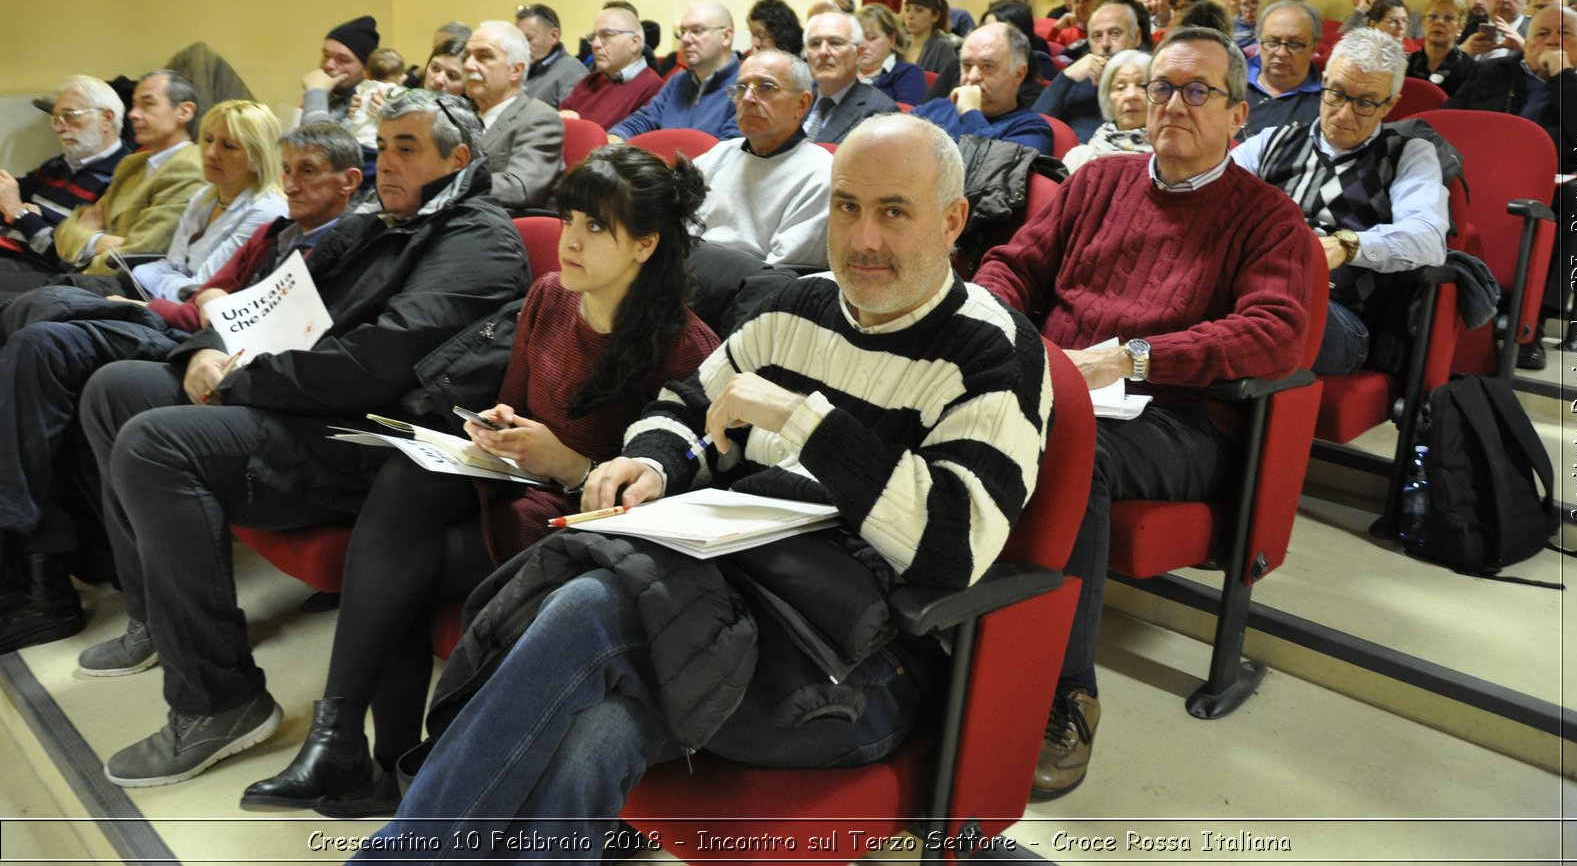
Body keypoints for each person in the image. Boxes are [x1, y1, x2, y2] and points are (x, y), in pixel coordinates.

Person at [351, 112, 1052, 859]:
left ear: (952, 221)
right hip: (729, 613)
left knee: (589, 603)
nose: (864, 238)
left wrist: (808, 420)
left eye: (893, 212)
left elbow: (953, 548)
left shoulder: (994, 352)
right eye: (846, 206)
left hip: (863, 667)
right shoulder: (800, 305)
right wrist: (650, 462)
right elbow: (690, 405)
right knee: (595, 732)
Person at [239, 146, 720, 816]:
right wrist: (498, 424)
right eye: (570, 218)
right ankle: (355, 745)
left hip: (583, 533)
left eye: (596, 227)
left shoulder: (685, 347)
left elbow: (656, 501)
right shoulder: (551, 295)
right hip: (516, 487)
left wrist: (569, 463)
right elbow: (517, 400)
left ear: (645, 244)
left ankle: (365, 757)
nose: (571, 239)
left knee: (388, 568)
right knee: (405, 480)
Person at [72, 90, 533, 787]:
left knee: (154, 442)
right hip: (296, 404)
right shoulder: (377, 222)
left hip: (363, 438)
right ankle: (157, 622)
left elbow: (373, 368)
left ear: (458, 158)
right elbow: (266, 298)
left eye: (408, 149)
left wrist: (236, 380)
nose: (387, 164)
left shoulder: (479, 240)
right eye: (384, 147)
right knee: (117, 388)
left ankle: (217, 700)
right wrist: (203, 348)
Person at [973, 25, 1316, 799]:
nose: (1174, 104)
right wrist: (992, 324)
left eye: (1199, 90)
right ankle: (949, 634)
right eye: (1162, 87)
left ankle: (1069, 692)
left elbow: (1275, 332)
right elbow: (1011, 263)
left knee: (1074, 455)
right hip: (1062, 387)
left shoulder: (1266, 218)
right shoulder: (1098, 183)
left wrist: (1134, 356)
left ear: (1239, 115)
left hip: (1181, 421)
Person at [0, 122, 363, 656]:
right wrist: (201, 301)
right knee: (28, 315)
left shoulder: (337, 242)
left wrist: (172, 305)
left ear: (348, 181)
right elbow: (208, 287)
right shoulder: (277, 231)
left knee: (42, 340)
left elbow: (225, 307)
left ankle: (21, 548)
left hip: (196, 337)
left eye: (307, 172)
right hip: (184, 320)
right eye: (287, 171)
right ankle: (32, 554)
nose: (291, 183)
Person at [1232, 29, 1448, 375]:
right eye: (1336, 94)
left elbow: (1428, 239)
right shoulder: (1272, 142)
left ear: (1390, 104)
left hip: (1340, 318)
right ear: (1324, 82)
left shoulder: (1408, 155)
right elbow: (1212, 196)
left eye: (1364, 103)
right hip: (1253, 288)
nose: (1344, 114)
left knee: (1269, 313)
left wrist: (1347, 245)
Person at [1446, 4, 1577, 367]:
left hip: (1556, 185)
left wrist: (1563, 79)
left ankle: (1531, 323)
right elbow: (1450, 121)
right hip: (1481, 178)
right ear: (1526, 42)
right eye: (1542, 34)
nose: (1550, 42)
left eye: (1563, 34)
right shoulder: (1493, 72)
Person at [0, 71, 203, 297]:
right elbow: (70, 226)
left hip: (95, 283)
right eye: (134, 105)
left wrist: (23, 215)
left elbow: (135, 255)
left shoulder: (187, 168)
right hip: (70, 272)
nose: (133, 114)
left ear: (185, 112)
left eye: (148, 105)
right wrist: (100, 240)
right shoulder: (133, 163)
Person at [684, 51, 831, 334]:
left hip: (741, 313)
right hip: (678, 291)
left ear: (802, 104)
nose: (748, 99)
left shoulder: (820, 173)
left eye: (766, 87)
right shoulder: (718, 154)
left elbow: (775, 283)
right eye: (741, 88)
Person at [112, 100, 288, 303]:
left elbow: (200, 292)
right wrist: (164, 280)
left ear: (258, 158)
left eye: (228, 146)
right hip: (154, 299)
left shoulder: (266, 213)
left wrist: (149, 276)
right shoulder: (205, 195)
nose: (210, 153)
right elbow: (173, 266)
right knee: (73, 291)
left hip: (181, 319)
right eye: (208, 139)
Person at [0, 76, 131, 271]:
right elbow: (11, 193)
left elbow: (71, 257)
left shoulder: (123, 177)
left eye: (70, 116)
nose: (59, 128)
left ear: (107, 119)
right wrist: (22, 211)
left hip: (40, 269)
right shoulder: (60, 164)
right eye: (55, 119)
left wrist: (20, 214)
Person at [463, 21, 566, 210]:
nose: (468, 65)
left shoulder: (539, 118)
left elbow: (519, 188)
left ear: (516, 70)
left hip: (505, 230)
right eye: (467, 56)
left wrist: (448, 183)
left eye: (483, 57)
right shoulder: (463, 116)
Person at [611, 2, 742, 142]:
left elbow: (729, 152)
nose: (685, 39)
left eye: (697, 30)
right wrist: (615, 138)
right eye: (683, 31)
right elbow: (645, 118)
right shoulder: (677, 81)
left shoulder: (746, 87)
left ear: (726, 36)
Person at [913, 22, 1052, 153]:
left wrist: (970, 113)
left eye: (987, 66)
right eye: (967, 65)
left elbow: (991, 173)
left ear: (1018, 75)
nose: (972, 77)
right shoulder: (935, 109)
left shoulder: (1032, 130)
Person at [1034, 2, 1144, 140]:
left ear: (1137, 37)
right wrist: (1065, 77)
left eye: (1115, 34)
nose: (1105, 44)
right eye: (1097, 36)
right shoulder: (1077, 78)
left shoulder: (1152, 79)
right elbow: (1033, 127)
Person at [558, 7, 664, 130]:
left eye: (606, 35)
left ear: (634, 43)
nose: (596, 44)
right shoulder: (590, 80)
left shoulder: (653, 89)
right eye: (593, 37)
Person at [802, 11, 897, 146]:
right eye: (815, 44)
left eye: (835, 43)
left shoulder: (879, 112)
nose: (823, 52)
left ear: (858, 54)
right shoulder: (796, 101)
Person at [1062, 50, 1152, 174]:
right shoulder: (1081, 158)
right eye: (1120, 88)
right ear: (1107, 98)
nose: (1131, 95)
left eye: (1142, 86)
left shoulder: (1174, 157)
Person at [1244, 0, 1324, 138]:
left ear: (1313, 49)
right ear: (1259, 42)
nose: (1281, 53)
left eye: (1295, 44)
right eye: (1272, 42)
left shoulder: (1326, 100)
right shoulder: (1230, 83)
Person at [300, 16, 380, 127]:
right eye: (326, 55)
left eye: (343, 60)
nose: (329, 65)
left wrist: (315, 94)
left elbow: (319, 143)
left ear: (366, 68)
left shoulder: (370, 103)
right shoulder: (327, 96)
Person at [516, 3, 587, 108]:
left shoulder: (572, 71)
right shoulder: (519, 69)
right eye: (518, 39)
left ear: (553, 36)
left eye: (528, 39)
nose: (521, 46)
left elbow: (572, 119)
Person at [855, 2, 928, 105]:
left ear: (892, 39)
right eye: (858, 39)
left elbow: (909, 117)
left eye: (871, 38)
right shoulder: (844, 72)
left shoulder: (908, 74)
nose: (862, 45)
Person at [1407, 0, 1477, 97]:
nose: (1439, 22)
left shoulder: (1471, 69)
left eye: (1448, 18)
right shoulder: (1406, 64)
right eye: (1433, 16)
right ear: (1423, 22)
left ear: (1461, 26)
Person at [1460, 0, 1532, 61]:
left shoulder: (1536, 31)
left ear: (1527, 0)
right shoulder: (1472, 28)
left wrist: (1525, 48)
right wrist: (1462, 51)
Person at [901, 0, 959, 79]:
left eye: (919, 10)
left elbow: (948, 85)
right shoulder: (899, 44)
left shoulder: (942, 47)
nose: (910, 16)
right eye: (907, 10)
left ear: (935, 16)